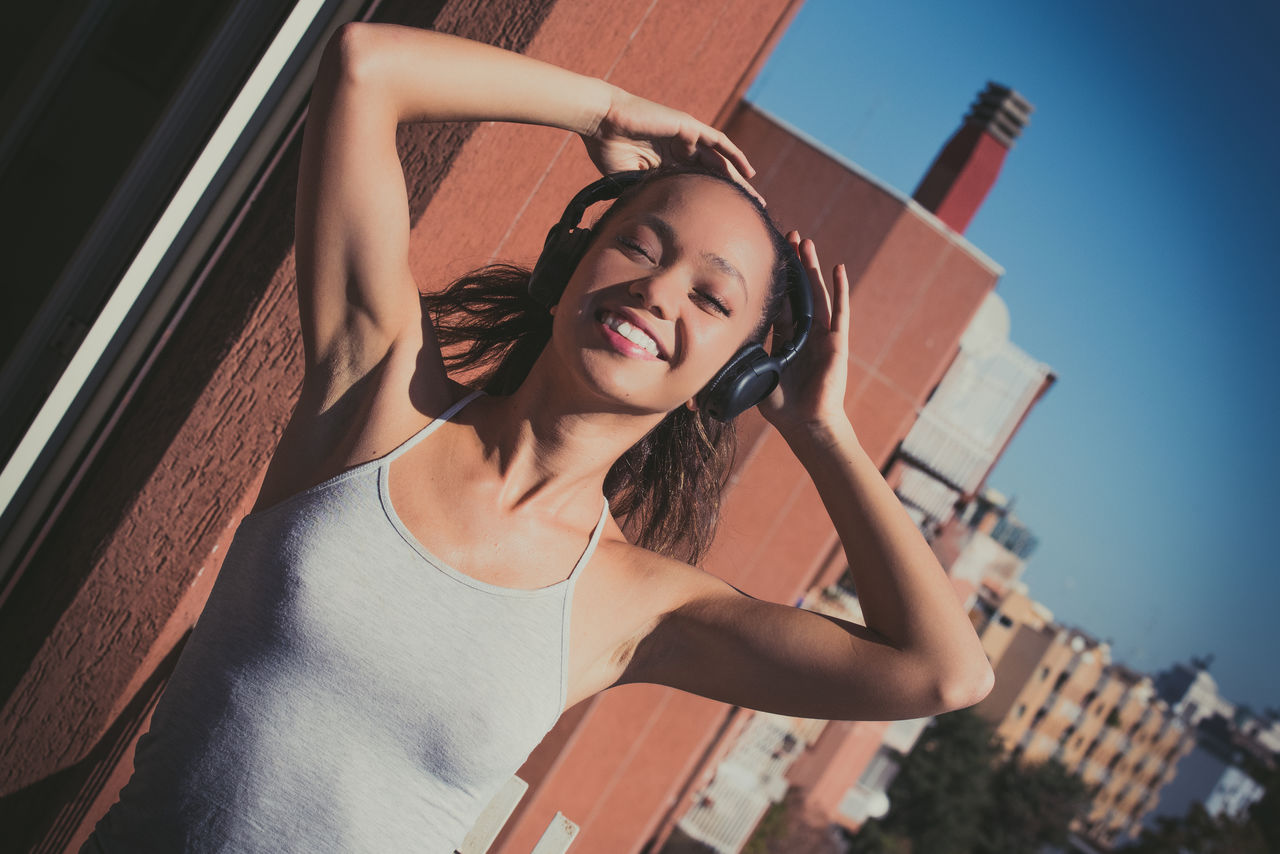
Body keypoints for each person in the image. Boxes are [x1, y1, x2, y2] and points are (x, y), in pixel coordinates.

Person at [83, 21, 994, 854]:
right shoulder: (377, 395)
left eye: (711, 298)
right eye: (641, 244)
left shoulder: (641, 607)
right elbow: (365, 67)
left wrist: (824, 432)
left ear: (730, 381)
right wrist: (603, 107)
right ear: (569, 263)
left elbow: (943, 674)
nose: (658, 290)